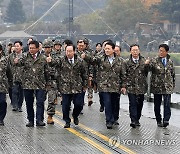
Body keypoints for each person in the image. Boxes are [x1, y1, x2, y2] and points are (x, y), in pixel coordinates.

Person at [82, 41, 126, 129]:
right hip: (104, 86)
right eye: (105, 49)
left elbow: (123, 74)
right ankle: (108, 120)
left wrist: (123, 86)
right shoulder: (101, 58)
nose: (106, 50)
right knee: (107, 103)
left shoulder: (120, 61)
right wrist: (85, 57)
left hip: (115, 86)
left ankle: (114, 118)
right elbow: (93, 60)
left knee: (114, 103)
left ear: (113, 50)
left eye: (108, 49)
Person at [47, 44, 87, 128]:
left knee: (79, 104)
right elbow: (54, 63)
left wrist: (85, 84)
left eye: (70, 51)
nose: (68, 53)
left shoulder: (80, 61)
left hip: (77, 86)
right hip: (65, 87)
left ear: (74, 51)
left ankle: (75, 115)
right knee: (65, 105)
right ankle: (67, 120)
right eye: (67, 51)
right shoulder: (61, 60)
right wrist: (50, 61)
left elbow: (84, 73)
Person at [14, 40, 48, 127]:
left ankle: (39, 120)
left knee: (40, 102)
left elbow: (47, 71)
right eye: (30, 48)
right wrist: (16, 61)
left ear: (37, 48)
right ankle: (30, 120)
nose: (31, 50)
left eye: (33, 48)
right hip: (27, 83)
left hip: (40, 84)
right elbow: (19, 64)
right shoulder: (25, 56)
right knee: (29, 103)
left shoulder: (43, 58)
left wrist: (48, 83)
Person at [148, 44, 175, 127]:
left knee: (167, 104)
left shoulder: (170, 61)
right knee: (157, 105)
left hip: (167, 87)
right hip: (157, 87)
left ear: (166, 52)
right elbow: (148, 69)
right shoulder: (154, 60)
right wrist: (147, 64)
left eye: (163, 51)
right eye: (160, 50)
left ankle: (166, 120)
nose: (161, 52)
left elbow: (172, 74)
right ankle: (158, 120)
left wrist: (173, 85)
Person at [125, 44, 149, 128]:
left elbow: (147, 73)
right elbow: (124, 74)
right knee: (133, 103)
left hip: (141, 86)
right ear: (130, 51)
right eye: (133, 50)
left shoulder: (144, 61)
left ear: (139, 51)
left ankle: (137, 118)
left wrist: (146, 65)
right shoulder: (127, 62)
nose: (135, 52)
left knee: (140, 104)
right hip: (131, 86)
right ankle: (133, 120)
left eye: (136, 50)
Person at [8, 41, 24, 112]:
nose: (16, 47)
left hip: (23, 77)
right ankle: (15, 105)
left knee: (21, 93)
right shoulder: (11, 56)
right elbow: (8, 65)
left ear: (21, 47)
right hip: (14, 76)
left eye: (18, 46)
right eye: (15, 46)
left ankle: (20, 106)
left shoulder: (25, 55)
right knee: (14, 91)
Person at [0, 44, 11, 126]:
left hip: (2, 85)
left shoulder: (5, 60)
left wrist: (11, 82)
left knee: (2, 102)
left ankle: (1, 119)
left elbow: (9, 72)